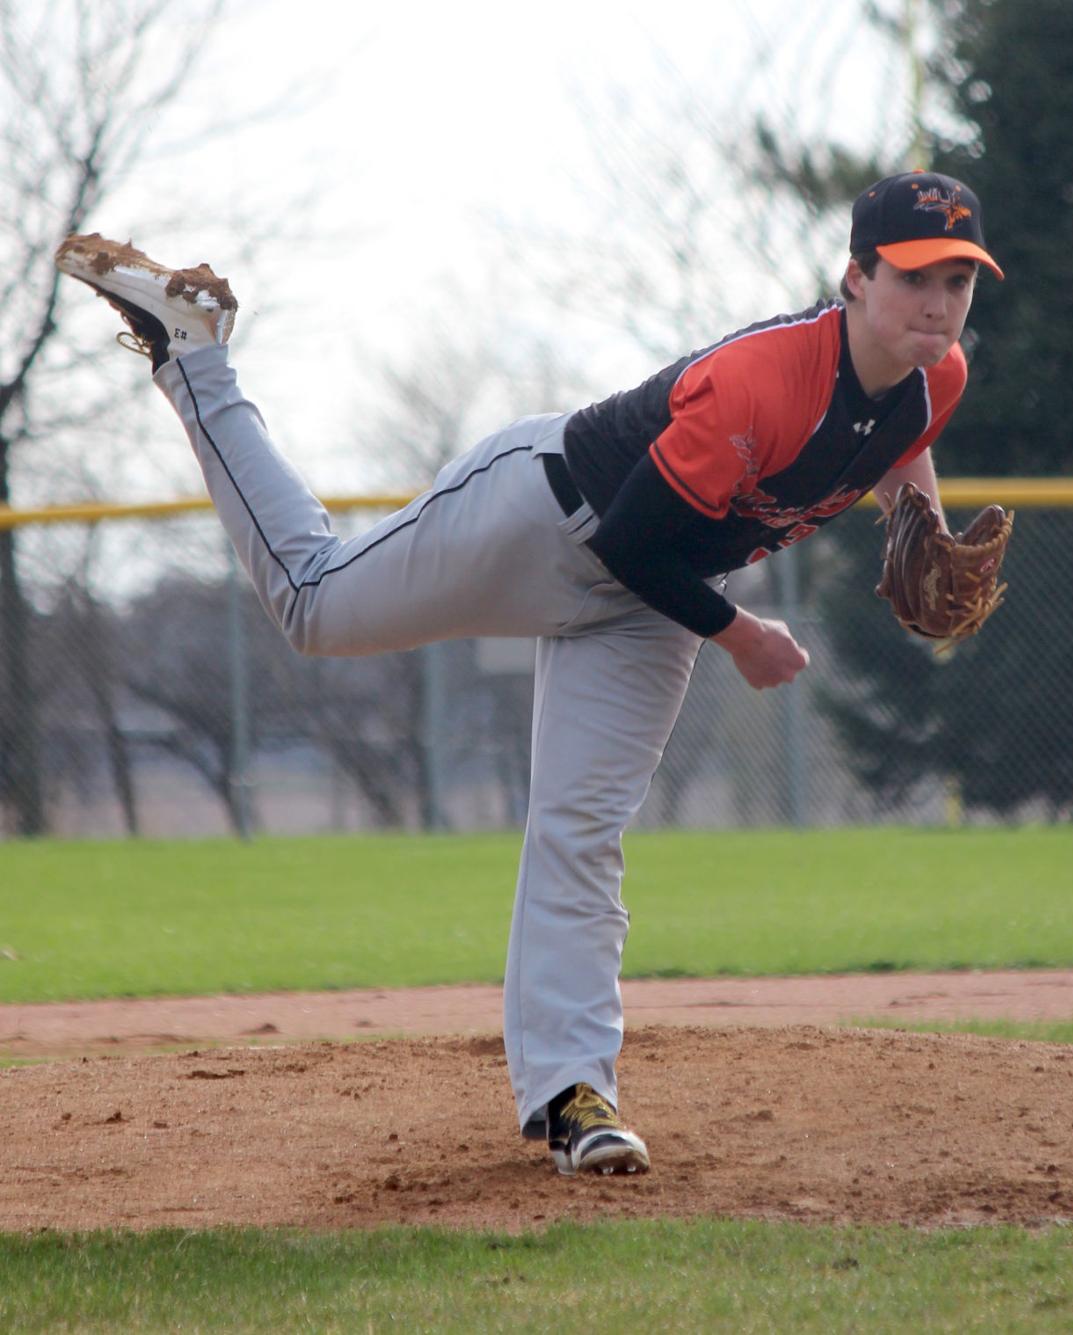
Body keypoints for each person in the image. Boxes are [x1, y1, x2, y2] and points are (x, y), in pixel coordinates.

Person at [55, 169, 1003, 1178]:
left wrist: (923, 521)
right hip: (547, 521)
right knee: (316, 607)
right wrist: (741, 637)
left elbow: (905, 437)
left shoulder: (936, 375)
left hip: (649, 607)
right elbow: (636, 545)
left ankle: (573, 1095)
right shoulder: (761, 380)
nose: (939, 303)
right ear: (855, 278)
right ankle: (195, 356)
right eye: (913, 277)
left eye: (958, 278)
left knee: (581, 829)